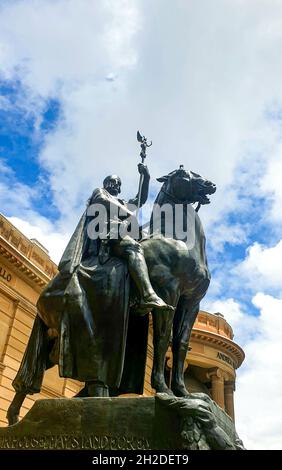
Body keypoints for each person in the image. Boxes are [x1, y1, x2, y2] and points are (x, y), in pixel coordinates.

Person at [85, 163, 173, 312]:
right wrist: (127, 213)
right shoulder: (100, 192)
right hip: (106, 233)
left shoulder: (123, 202)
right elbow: (102, 201)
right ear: (105, 184)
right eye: (111, 182)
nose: (114, 185)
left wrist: (146, 177)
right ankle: (147, 295)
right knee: (134, 247)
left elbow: (141, 198)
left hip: (120, 232)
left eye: (117, 183)